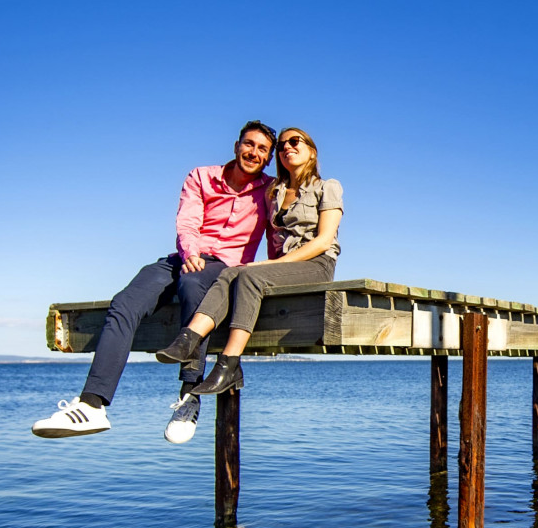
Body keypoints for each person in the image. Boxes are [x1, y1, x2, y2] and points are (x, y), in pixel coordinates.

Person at [30, 120, 276, 439]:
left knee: (193, 286)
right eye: (249, 144)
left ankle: (190, 396)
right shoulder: (201, 176)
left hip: (226, 267)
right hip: (186, 257)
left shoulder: (271, 190)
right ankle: (92, 406)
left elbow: (279, 233)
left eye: (262, 149)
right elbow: (187, 223)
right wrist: (190, 254)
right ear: (236, 145)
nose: (253, 152)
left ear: (268, 158)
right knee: (125, 303)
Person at [152, 126, 343, 443]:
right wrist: (266, 268)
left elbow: (324, 241)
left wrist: (269, 267)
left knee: (248, 273)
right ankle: (189, 340)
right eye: (281, 145)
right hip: (282, 268)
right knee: (232, 272)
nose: (286, 148)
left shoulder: (327, 187)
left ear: (311, 150)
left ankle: (228, 363)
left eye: (295, 142)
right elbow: (271, 241)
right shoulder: (276, 192)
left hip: (316, 265)